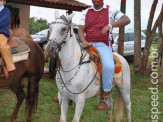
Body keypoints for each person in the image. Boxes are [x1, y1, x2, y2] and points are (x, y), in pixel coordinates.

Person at [78, 0, 130, 110]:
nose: (96, 2)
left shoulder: (111, 10)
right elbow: (81, 30)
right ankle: (65, 92)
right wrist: (83, 42)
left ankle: (105, 96)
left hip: (103, 44)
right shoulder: (86, 12)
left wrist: (111, 25)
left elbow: (126, 19)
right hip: (87, 44)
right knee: (67, 57)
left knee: (108, 66)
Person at [0, 0, 16, 78]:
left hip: (2, 33)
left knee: (2, 46)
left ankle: (10, 67)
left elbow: (2, 22)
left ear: (4, 2)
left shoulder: (6, 11)